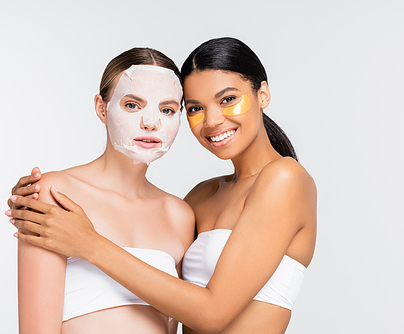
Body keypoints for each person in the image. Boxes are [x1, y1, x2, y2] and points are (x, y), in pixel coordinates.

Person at [8, 37, 317, 334]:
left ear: (262, 94)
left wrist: (90, 244)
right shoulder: (196, 200)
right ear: (102, 108)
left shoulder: (283, 179)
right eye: (195, 107)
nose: (212, 120)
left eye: (228, 99)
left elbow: (211, 314)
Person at [8, 48, 195, 334]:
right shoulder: (53, 194)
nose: (151, 122)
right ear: (101, 108)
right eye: (133, 105)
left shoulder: (179, 215)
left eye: (167, 109)